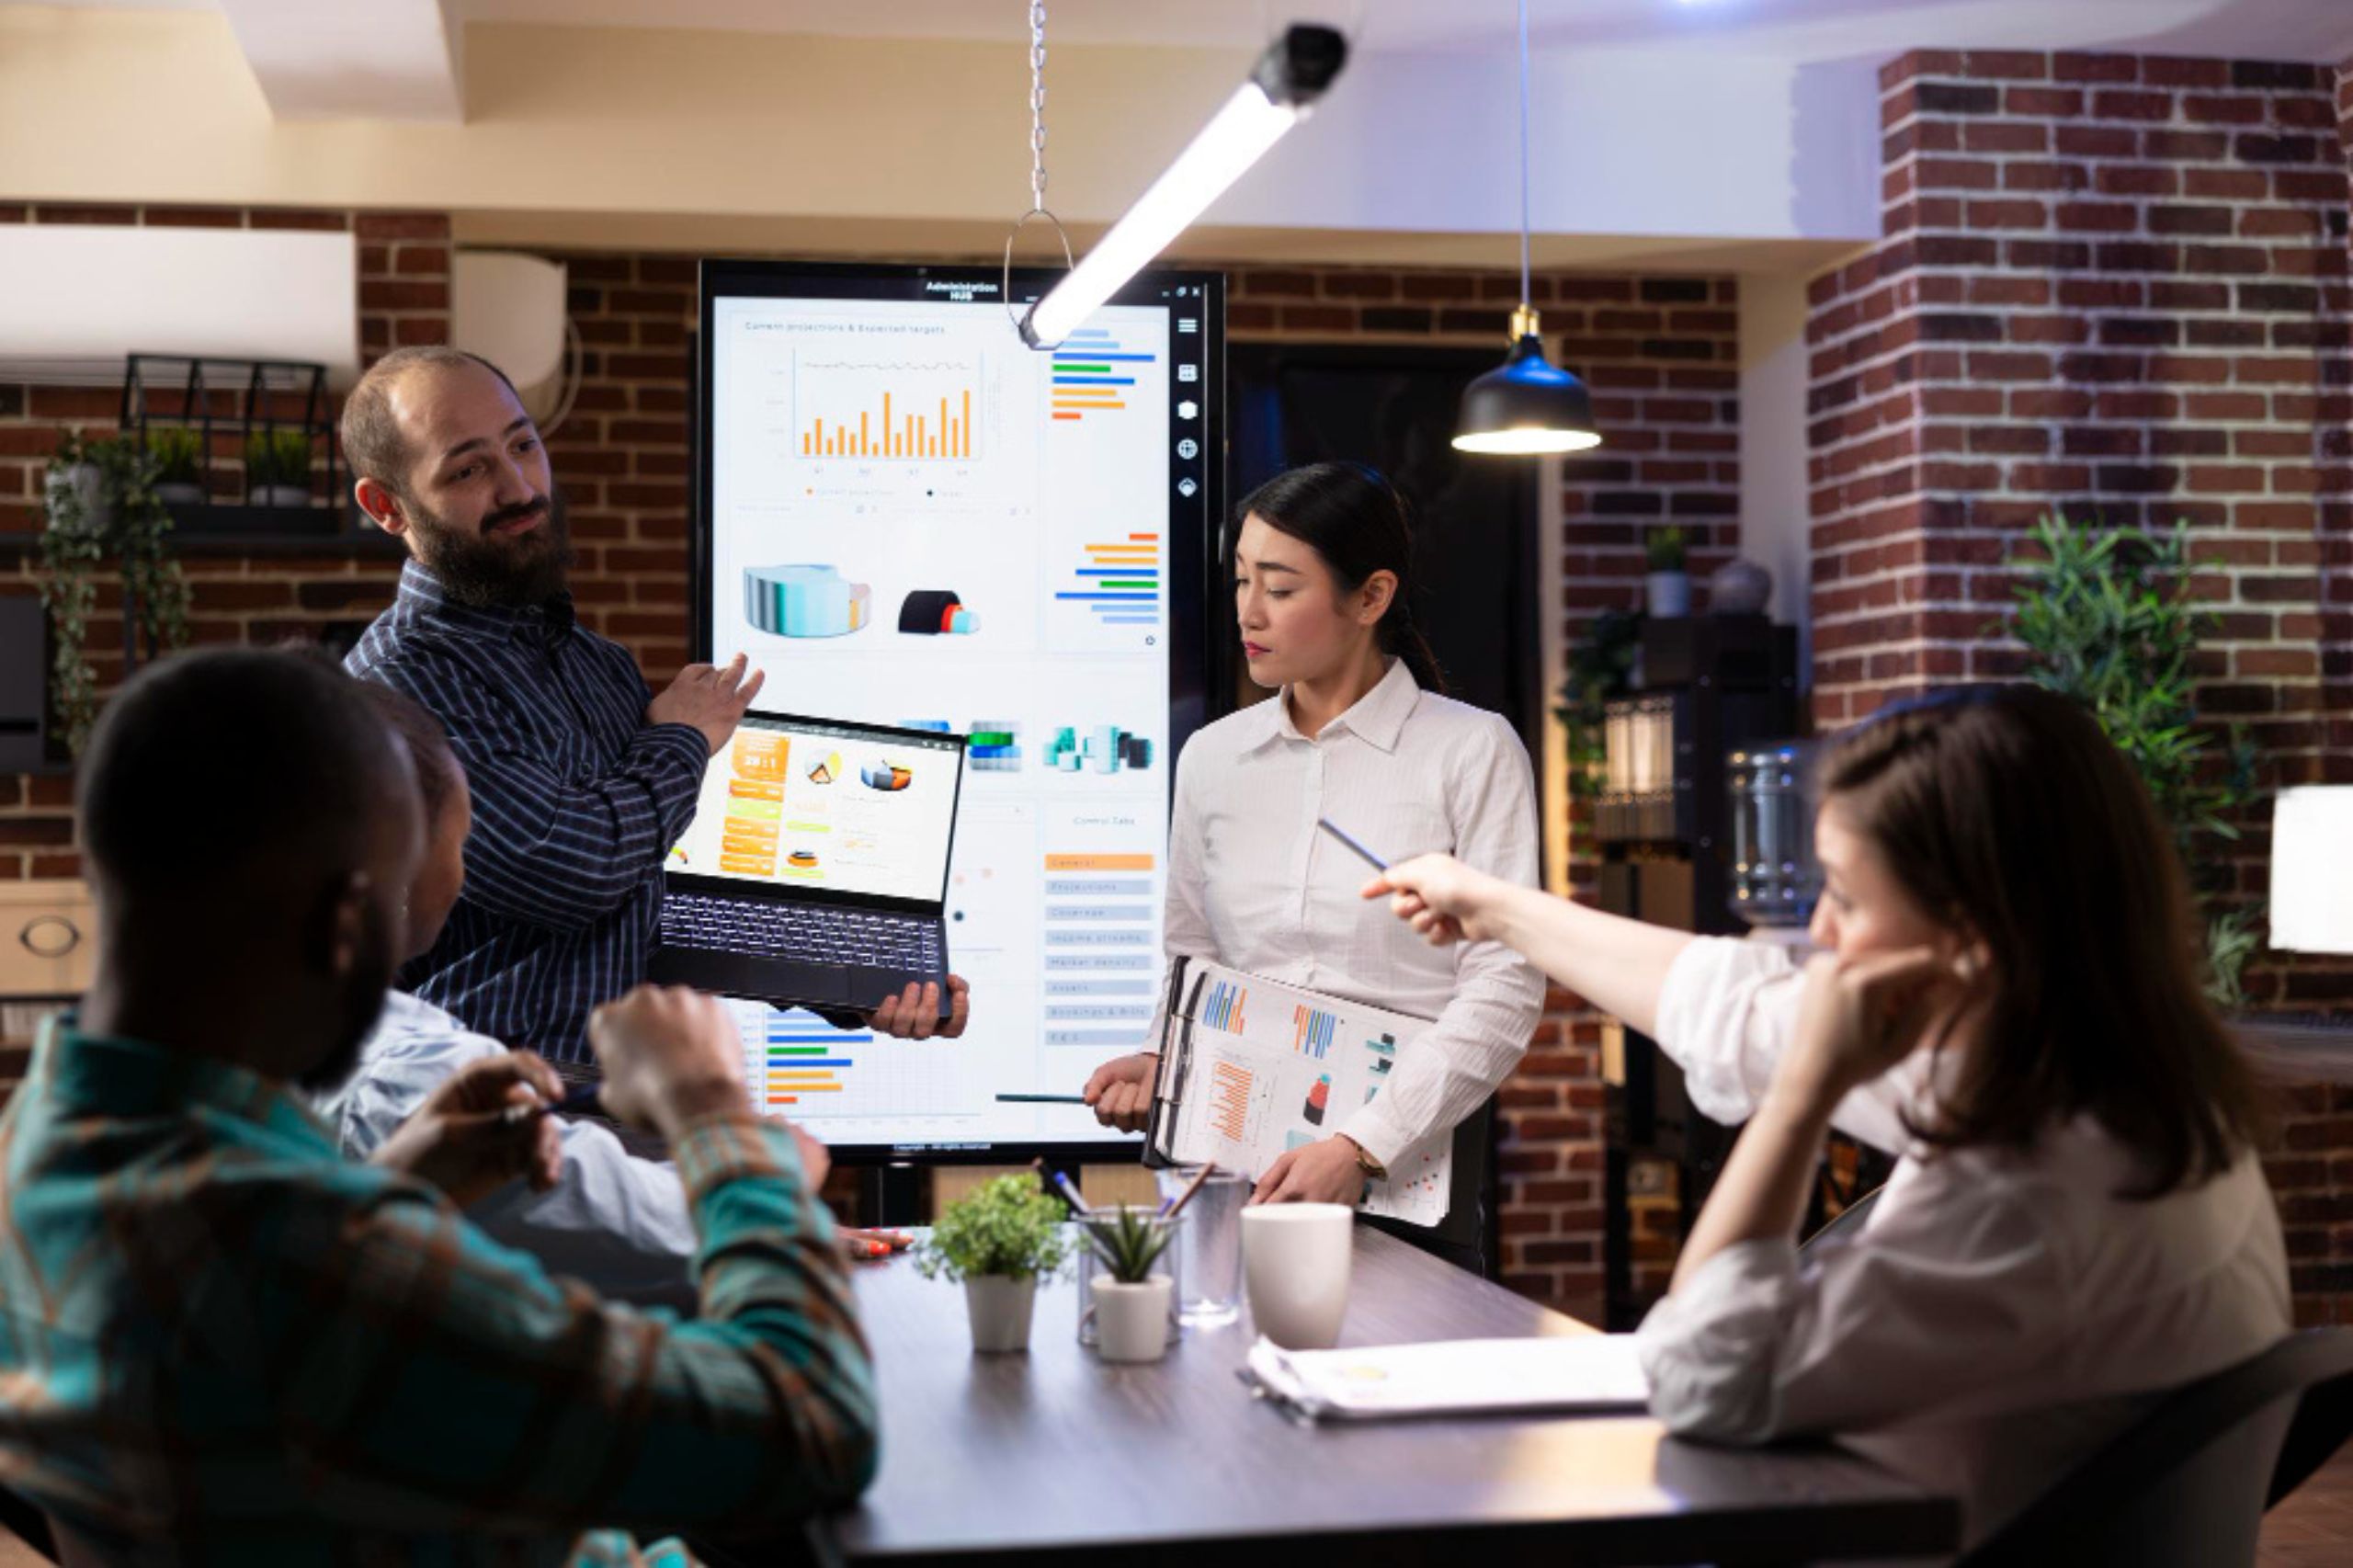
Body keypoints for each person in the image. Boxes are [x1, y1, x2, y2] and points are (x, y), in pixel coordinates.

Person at [0, 648, 877, 1559]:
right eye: (404, 937)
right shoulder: (306, 1265)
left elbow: (257, 1396)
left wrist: (401, 1187)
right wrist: (718, 1122)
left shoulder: (41, 1143)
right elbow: (807, 1427)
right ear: (344, 928)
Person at [1370, 684, 2290, 1547]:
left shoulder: (2025, 1187)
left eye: (1844, 897)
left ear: (1971, 934)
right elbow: (1737, 1007)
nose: (1817, 933)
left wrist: (1803, 1095)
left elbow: (1696, 1375)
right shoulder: (2106, 1079)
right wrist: (1489, 905)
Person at [340, 346, 966, 1061]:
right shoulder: (400, 681)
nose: (519, 488)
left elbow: (657, 900)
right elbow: (575, 869)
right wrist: (682, 739)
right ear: (386, 506)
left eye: (523, 445)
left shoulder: (593, 662)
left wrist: (856, 981)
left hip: (631, 1109)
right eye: (469, 468)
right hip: (489, 1124)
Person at [1082, 462, 1545, 1270]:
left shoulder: (1472, 750)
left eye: (1281, 588)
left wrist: (1362, 1146)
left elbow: (1505, 988)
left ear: (1370, 598)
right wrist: (1167, 1059)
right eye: (1240, 582)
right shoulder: (1214, 758)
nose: (1248, 613)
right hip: (1230, 1182)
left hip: (1404, 1190)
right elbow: (1193, 961)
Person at [312, 676, 700, 1306]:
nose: (464, 872)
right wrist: (724, 1118)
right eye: (463, 844)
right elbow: (671, 1231)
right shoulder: (406, 1075)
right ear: (401, 866)